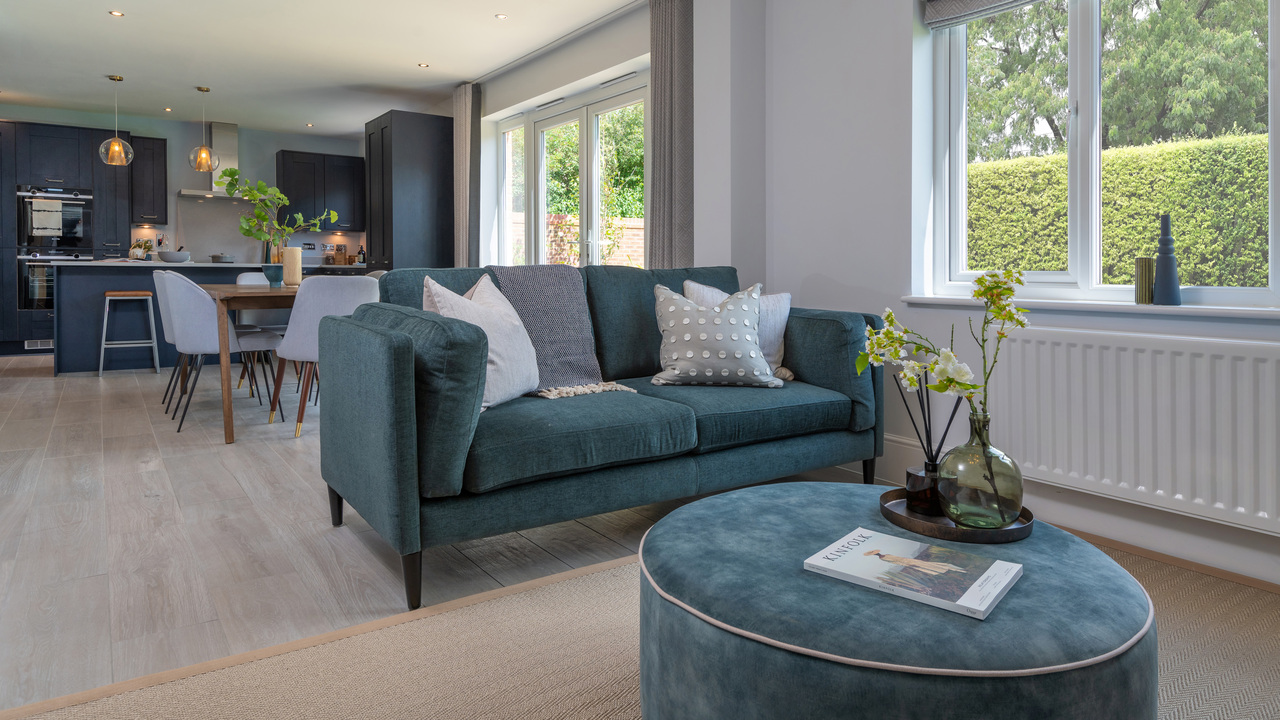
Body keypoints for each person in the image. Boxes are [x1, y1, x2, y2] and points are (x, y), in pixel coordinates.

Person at [864, 549, 965, 576]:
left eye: (877, 553)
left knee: (930, 564)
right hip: (908, 562)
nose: (877, 554)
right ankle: (950, 570)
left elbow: (898, 557)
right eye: (875, 553)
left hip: (910, 560)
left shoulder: (886, 554)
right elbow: (897, 562)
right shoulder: (883, 558)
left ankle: (955, 568)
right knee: (927, 567)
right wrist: (908, 564)